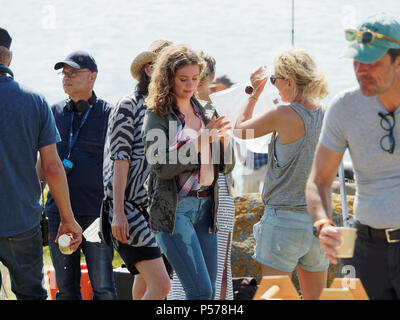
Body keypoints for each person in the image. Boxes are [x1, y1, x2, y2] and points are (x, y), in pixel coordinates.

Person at [306, 13, 400, 300]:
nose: (360, 70)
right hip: (366, 252)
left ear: (398, 61)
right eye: (356, 61)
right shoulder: (344, 108)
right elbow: (319, 181)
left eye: (371, 62)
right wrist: (323, 224)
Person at [234, 48, 329, 300]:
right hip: (317, 221)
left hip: (284, 220)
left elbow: (240, 130)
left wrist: (254, 94)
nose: (274, 85)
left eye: (275, 80)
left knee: (276, 297)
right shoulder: (326, 114)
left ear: (290, 81)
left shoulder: (283, 114)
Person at [142, 44, 235, 300]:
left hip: (207, 209)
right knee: (201, 292)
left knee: (209, 292)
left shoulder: (207, 111)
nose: (190, 84)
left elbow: (226, 166)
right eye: (183, 79)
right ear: (168, 78)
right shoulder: (157, 115)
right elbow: (160, 165)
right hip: (175, 211)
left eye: (195, 78)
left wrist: (225, 143)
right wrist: (202, 141)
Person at [0, 27, 82, 300]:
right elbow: (52, 167)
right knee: (31, 295)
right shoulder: (34, 101)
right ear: (8, 59)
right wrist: (68, 220)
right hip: (21, 220)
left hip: (21, 220)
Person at [36, 50, 117, 300]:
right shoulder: (52, 112)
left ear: (92, 77)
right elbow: (43, 161)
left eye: (74, 73)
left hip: (96, 214)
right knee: (66, 289)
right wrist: (34, 199)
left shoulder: (109, 114)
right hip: (58, 212)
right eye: (64, 73)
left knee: (103, 288)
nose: (66, 78)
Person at [103, 40, 172, 300]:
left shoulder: (161, 109)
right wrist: (118, 212)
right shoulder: (128, 104)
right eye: (167, 67)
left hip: (151, 211)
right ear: (149, 69)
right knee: (161, 285)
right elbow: (119, 158)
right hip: (128, 209)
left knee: (143, 284)